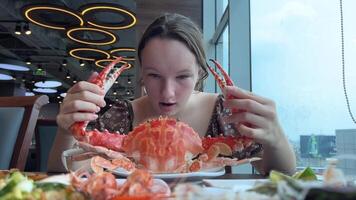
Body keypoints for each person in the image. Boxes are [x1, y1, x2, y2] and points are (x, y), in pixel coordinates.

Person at [48, 13, 296, 175]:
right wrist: (66, 129)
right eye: (154, 75)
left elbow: (280, 175)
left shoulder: (227, 115)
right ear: (142, 72)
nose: (167, 93)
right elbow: (66, 172)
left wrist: (275, 136)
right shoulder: (117, 117)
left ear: (200, 72)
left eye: (182, 76)